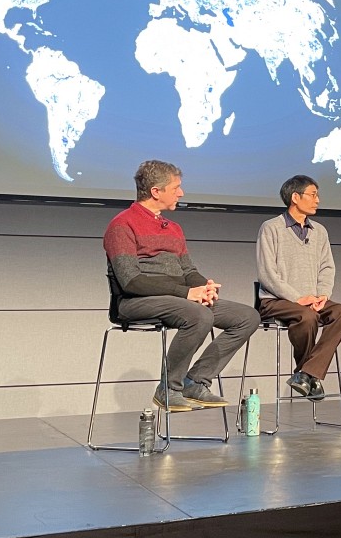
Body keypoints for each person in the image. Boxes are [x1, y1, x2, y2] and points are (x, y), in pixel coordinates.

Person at [103, 160, 259, 411]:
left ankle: (195, 381)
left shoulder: (173, 228)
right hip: (134, 301)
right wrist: (187, 293)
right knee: (197, 314)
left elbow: (188, 270)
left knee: (247, 317)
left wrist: (203, 287)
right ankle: (168, 388)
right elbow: (131, 281)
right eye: (176, 188)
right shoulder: (122, 225)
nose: (181, 193)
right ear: (156, 191)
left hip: (179, 299)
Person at [257, 175, 341, 401]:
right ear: (295, 197)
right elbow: (267, 273)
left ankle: (305, 374)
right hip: (276, 301)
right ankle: (310, 375)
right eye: (313, 195)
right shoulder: (271, 228)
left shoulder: (319, 231)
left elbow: (327, 267)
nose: (317, 200)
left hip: (313, 300)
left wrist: (322, 295)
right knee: (307, 317)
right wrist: (297, 297)